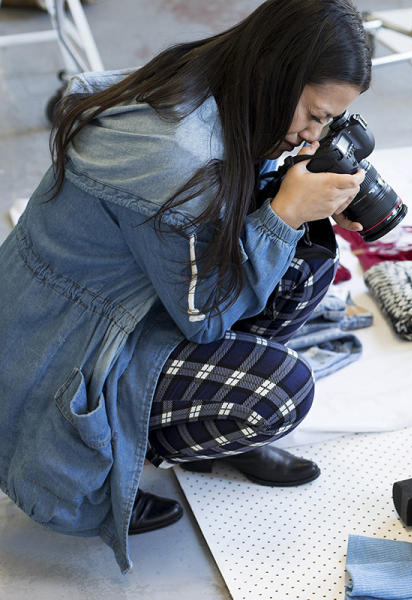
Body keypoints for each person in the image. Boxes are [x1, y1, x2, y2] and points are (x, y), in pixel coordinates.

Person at [0, 0, 371, 571]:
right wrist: (284, 215)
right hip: (67, 346)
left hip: (134, 304)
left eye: (329, 123)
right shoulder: (175, 155)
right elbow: (207, 315)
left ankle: (208, 437)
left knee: (306, 263)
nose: (312, 135)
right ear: (275, 71)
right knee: (279, 391)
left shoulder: (212, 79)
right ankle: (115, 462)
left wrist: (308, 207)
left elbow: (224, 228)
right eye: (316, 115)